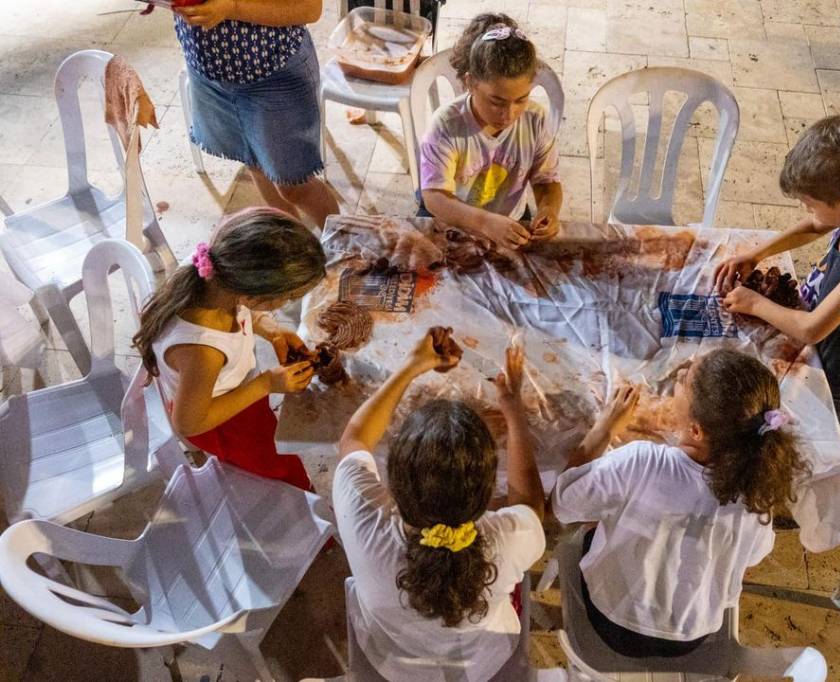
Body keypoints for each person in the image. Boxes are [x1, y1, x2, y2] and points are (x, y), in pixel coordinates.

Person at [552, 349, 809, 658]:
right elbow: (752, 555)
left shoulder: (642, 461)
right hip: (691, 635)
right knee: (619, 512)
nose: (680, 373)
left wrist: (604, 429)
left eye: (684, 380)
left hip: (613, 622)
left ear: (696, 431)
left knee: (596, 518)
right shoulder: (758, 485)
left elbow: (563, 503)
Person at [334, 335, 545, 682]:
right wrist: (512, 409)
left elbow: (354, 439)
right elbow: (530, 506)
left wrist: (412, 366)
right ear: (487, 494)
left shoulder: (363, 520)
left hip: (391, 664)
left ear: (394, 484)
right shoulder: (505, 540)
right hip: (483, 665)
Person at [714, 114, 840, 427]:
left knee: (805, 442)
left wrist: (754, 303)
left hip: (838, 378)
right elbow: (815, 225)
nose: (807, 211)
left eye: (810, 204)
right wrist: (756, 254)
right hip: (820, 351)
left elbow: (813, 328)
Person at [133, 207, 326, 489]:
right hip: (224, 422)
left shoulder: (213, 271)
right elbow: (187, 424)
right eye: (286, 298)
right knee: (280, 471)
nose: (286, 304)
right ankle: (301, 505)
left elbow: (246, 311)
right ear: (250, 294)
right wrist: (265, 384)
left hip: (225, 395)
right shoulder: (203, 351)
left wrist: (271, 330)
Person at [174, 0, 339, 228]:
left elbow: (309, 9)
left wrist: (231, 8)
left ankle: (346, 250)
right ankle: (293, 249)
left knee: (295, 186)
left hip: (273, 72)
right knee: (256, 163)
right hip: (210, 71)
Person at [419, 13, 563, 250]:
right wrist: (485, 223)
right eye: (496, 102)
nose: (509, 114)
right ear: (470, 83)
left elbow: (546, 179)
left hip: (511, 219)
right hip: (455, 223)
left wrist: (549, 209)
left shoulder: (535, 120)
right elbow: (434, 197)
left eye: (521, 99)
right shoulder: (446, 126)